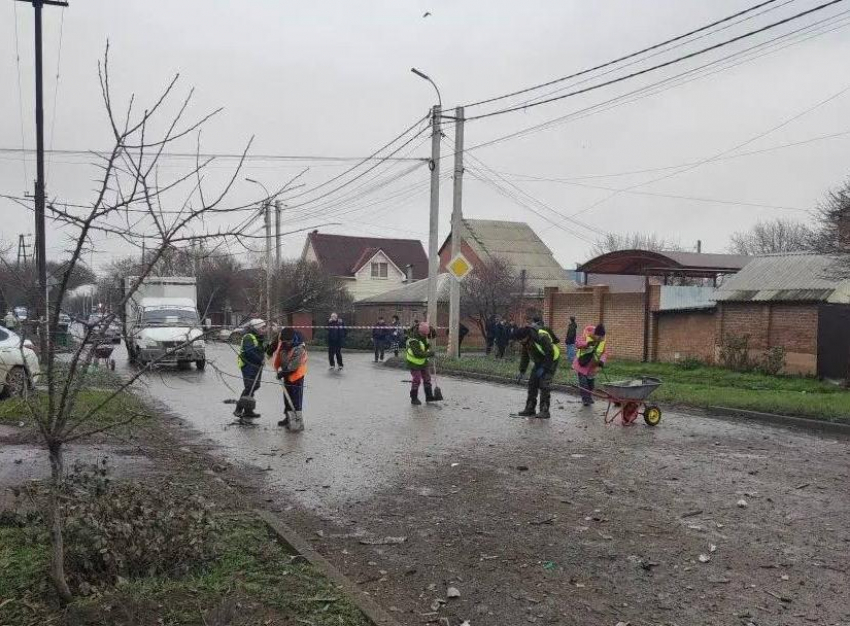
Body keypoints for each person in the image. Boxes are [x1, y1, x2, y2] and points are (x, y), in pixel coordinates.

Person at [514, 325, 561, 419]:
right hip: (539, 361)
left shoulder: (541, 336)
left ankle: (544, 411)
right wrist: (522, 371)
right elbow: (525, 356)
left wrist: (544, 368)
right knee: (532, 383)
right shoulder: (525, 342)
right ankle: (530, 408)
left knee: (544, 384)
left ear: (527, 336)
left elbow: (550, 353)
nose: (520, 342)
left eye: (521, 340)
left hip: (551, 360)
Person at [272, 327, 308, 431]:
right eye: (284, 341)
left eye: (288, 341)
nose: (286, 343)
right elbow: (277, 354)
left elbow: (294, 365)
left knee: (296, 398)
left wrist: (283, 373)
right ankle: (288, 419)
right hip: (286, 374)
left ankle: (298, 422)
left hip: (297, 375)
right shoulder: (283, 344)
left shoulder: (300, 347)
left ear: (292, 339)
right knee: (287, 398)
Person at [235, 319, 266, 421]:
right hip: (248, 365)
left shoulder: (259, 337)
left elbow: (261, 349)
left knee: (255, 386)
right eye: (262, 328)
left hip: (256, 365)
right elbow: (250, 353)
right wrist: (260, 359)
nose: (264, 330)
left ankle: (248, 411)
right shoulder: (249, 337)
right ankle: (239, 409)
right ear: (256, 328)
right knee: (249, 387)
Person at [573, 324, 607, 407]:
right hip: (582, 364)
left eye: (601, 337)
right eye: (598, 337)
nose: (600, 339)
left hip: (592, 366)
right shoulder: (586, 334)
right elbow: (577, 344)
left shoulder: (603, 340)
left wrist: (602, 361)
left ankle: (589, 396)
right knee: (583, 383)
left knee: (591, 384)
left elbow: (605, 352)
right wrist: (587, 344)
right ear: (595, 334)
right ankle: (586, 399)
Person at [406, 321, 436, 405]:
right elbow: (418, 353)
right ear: (419, 332)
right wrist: (430, 353)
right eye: (424, 335)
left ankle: (429, 396)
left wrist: (431, 331)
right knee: (417, 380)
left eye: (426, 335)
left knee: (427, 378)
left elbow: (433, 335)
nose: (425, 336)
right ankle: (414, 398)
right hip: (414, 362)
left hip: (423, 361)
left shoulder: (423, 334)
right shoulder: (413, 340)